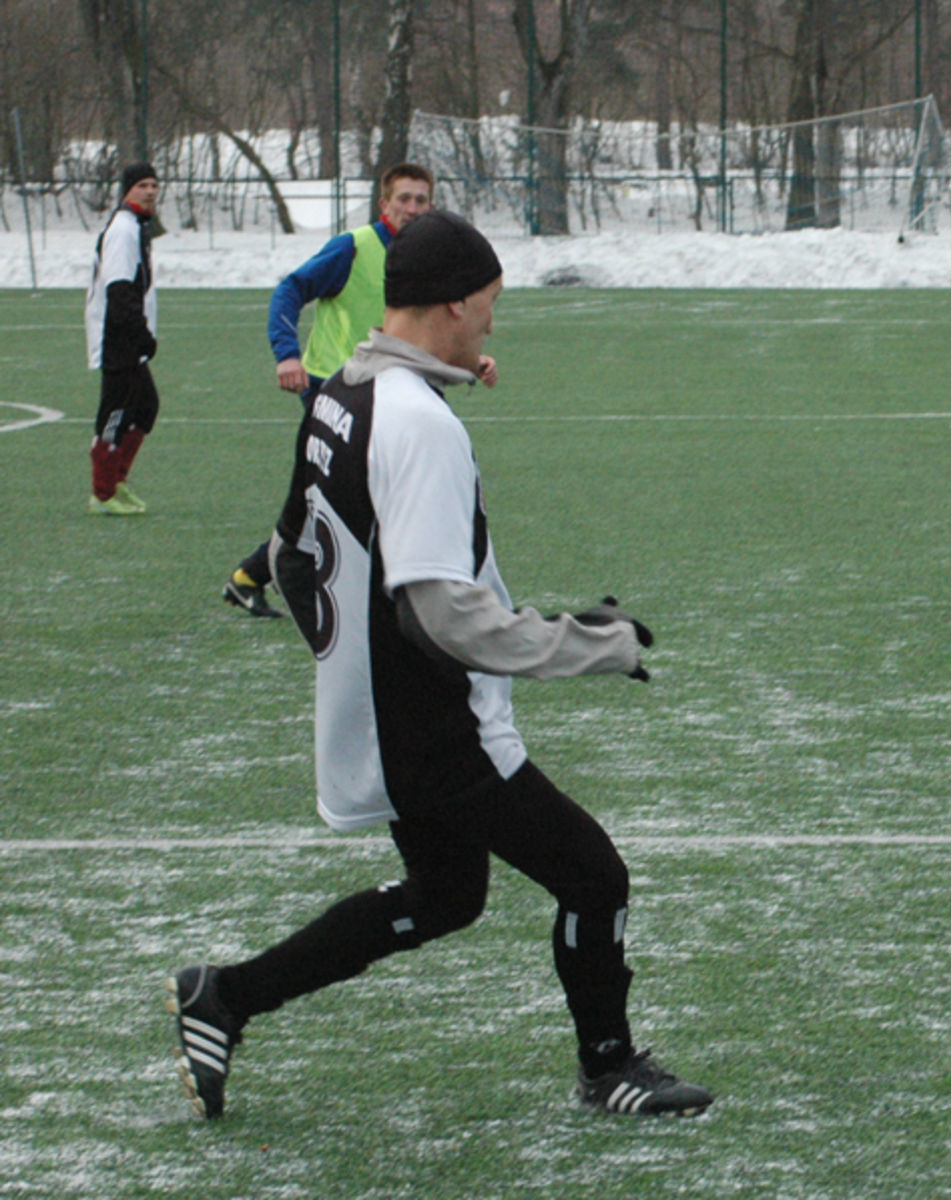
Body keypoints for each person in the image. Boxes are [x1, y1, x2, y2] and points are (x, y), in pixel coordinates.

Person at [165, 211, 712, 1121]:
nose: (493, 323)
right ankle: (608, 1068)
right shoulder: (417, 424)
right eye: (490, 304)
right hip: (437, 725)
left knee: (448, 897)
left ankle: (223, 997)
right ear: (454, 301)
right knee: (592, 875)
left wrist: (346, 658)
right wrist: (592, 647)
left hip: (392, 712)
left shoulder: (344, 390)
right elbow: (443, 615)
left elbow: (291, 551)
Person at [222, 163, 497, 616]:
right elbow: (291, 289)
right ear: (383, 204)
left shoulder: (428, 257)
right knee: (353, 501)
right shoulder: (353, 248)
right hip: (339, 392)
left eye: (421, 200)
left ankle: (253, 575)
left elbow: (434, 328)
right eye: (403, 199)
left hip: (394, 392)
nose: (412, 208)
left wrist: (472, 360)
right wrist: (286, 354)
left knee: (349, 501)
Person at [84, 161, 161, 516]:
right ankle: (102, 494)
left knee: (145, 406)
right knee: (115, 412)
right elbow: (118, 290)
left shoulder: (137, 227)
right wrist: (139, 334)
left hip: (129, 337)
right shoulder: (122, 231)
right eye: (142, 185)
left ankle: (117, 481)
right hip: (117, 337)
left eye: (154, 185)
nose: (149, 191)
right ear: (127, 190)